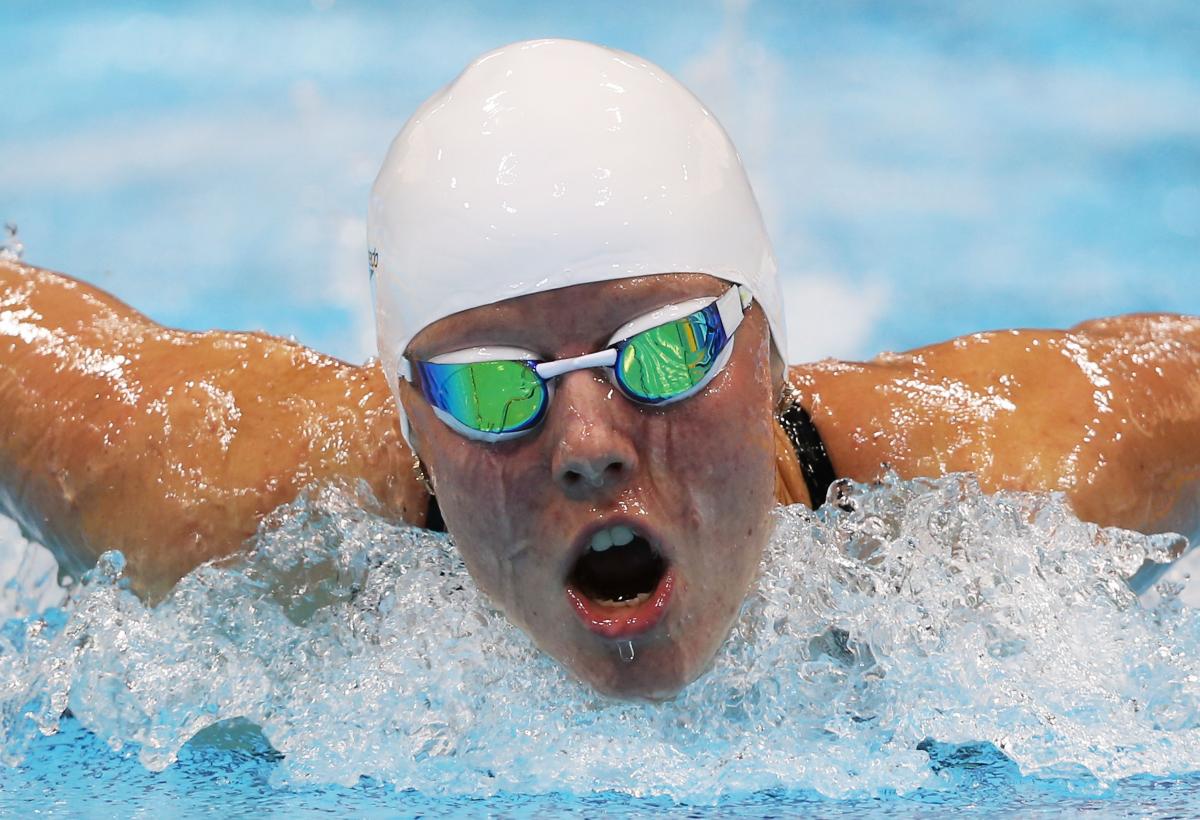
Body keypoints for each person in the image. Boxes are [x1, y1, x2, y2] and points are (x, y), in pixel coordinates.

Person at [1, 39, 1198, 700]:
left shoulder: (991, 477)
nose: (586, 445)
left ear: (769, 348)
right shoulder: (220, 504)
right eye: (491, 386)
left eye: (666, 353)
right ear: (412, 421)